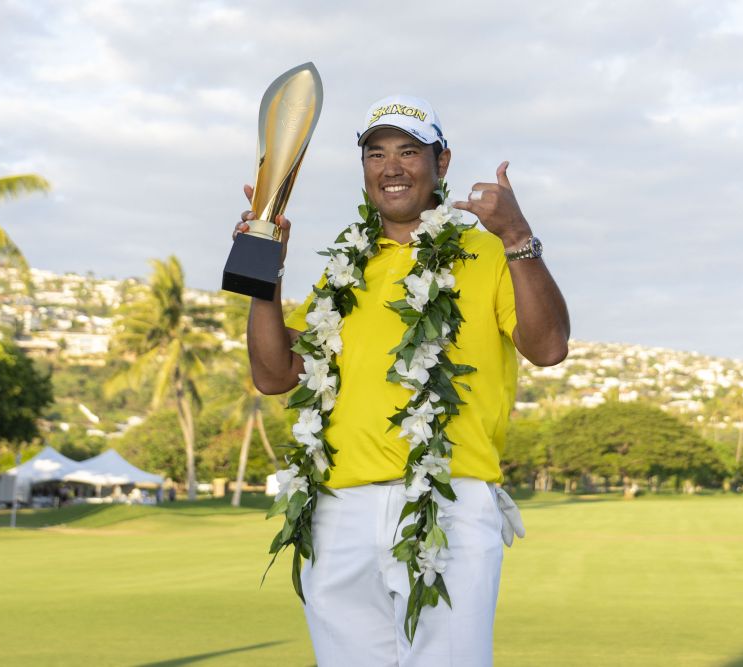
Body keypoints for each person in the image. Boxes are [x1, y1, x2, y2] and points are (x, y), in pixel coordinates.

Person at [235, 94, 569, 666]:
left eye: (409, 152)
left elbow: (548, 347)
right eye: (376, 153)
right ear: (364, 167)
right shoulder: (346, 267)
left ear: (442, 164)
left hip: (447, 504)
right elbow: (274, 375)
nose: (391, 166)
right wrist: (267, 261)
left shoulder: (486, 251)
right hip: (337, 510)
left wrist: (518, 238)